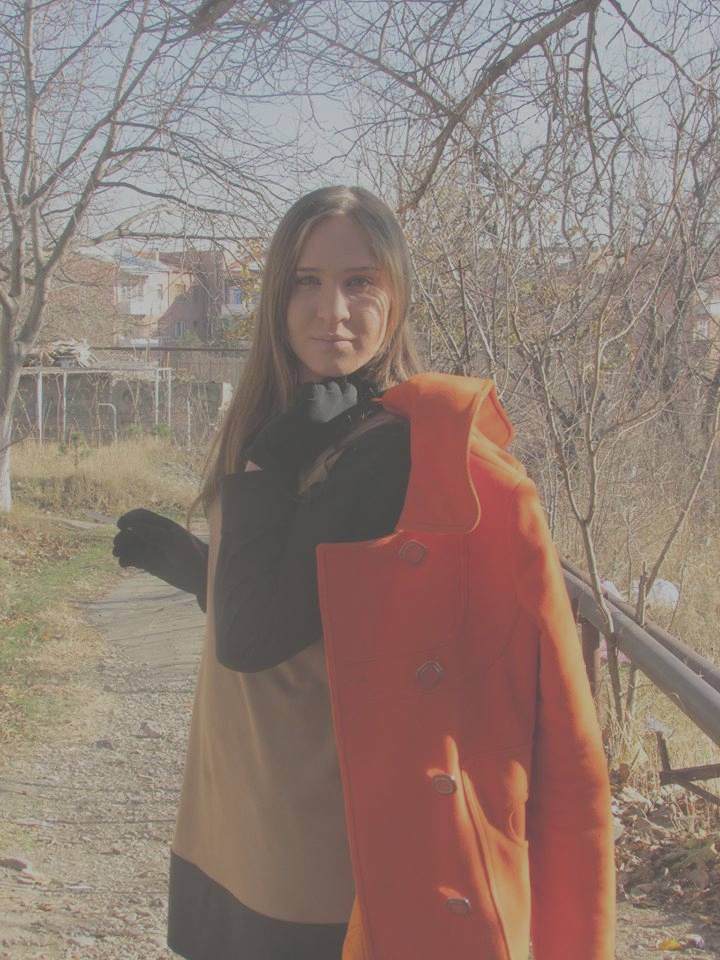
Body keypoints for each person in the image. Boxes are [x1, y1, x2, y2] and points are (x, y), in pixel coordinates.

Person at [113, 185, 616, 960]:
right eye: (307, 282)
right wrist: (196, 567)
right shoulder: (297, 420)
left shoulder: (383, 451)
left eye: (359, 283)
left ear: (396, 296)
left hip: (311, 845)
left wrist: (265, 467)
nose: (332, 311)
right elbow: (311, 609)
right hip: (242, 805)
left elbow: (254, 636)